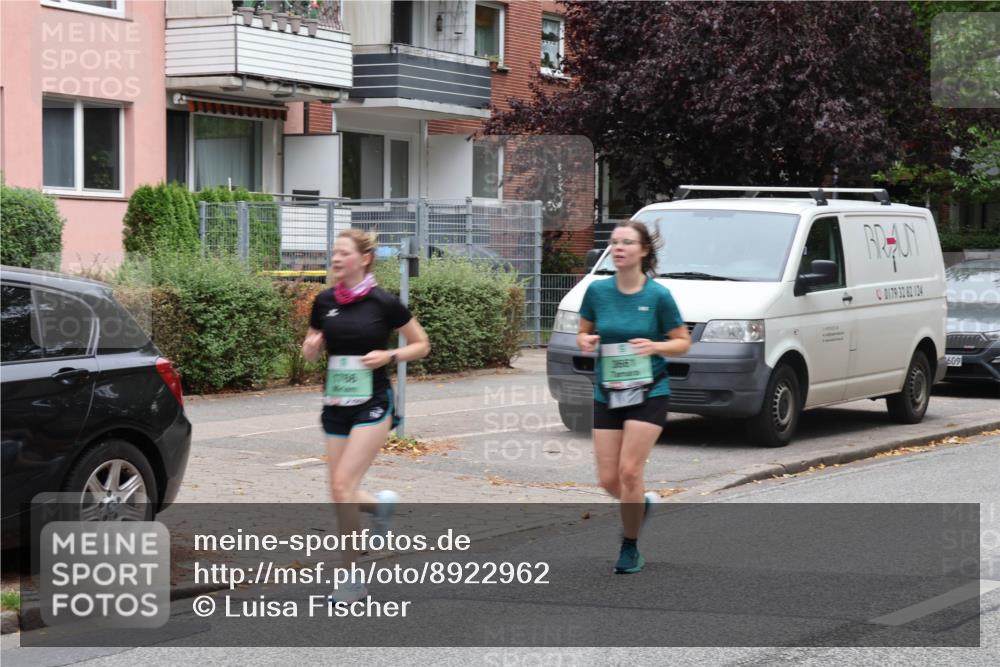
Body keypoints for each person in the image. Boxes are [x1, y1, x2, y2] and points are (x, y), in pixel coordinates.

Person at [302, 229, 430, 602]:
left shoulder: (383, 302)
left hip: (373, 402)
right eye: (334, 253)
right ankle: (379, 506)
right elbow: (311, 351)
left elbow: (422, 344)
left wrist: (389, 356)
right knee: (339, 490)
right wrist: (310, 347)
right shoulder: (324, 301)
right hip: (336, 404)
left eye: (343, 253)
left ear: (364, 258)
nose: (336, 258)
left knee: (342, 485)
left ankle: (351, 578)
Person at [576, 220, 691, 574]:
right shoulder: (597, 292)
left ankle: (630, 547)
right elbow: (583, 331)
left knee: (629, 471)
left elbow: (683, 341)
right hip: (608, 391)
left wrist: (655, 345)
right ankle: (640, 505)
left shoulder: (658, 296)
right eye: (614, 242)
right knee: (608, 481)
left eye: (627, 242)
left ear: (643, 251)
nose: (619, 247)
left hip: (649, 390)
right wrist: (586, 341)